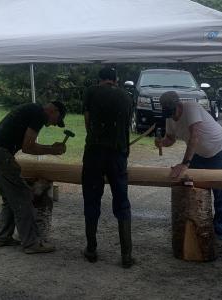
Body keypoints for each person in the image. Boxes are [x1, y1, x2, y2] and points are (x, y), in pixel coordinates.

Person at [0, 101, 67, 254]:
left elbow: (26, 144)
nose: (54, 124)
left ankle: (2, 237)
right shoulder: (39, 113)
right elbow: (28, 147)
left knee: (10, 196)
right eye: (57, 120)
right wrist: (52, 150)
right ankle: (31, 243)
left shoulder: (33, 109)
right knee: (23, 195)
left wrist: (50, 149)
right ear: (53, 110)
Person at [155, 91, 222, 245]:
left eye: (173, 112)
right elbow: (170, 138)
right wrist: (162, 143)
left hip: (218, 150)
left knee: (221, 194)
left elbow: (194, 136)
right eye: (169, 113)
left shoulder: (191, 108)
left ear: (179, 105)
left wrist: (184, 164)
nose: (173, 117)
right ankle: (199, 227)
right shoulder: (169, 117)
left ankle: (220, 234)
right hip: (199, 153)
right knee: (193, 190)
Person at [81, 66, 135, 268]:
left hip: (95, 153)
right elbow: (126, 126)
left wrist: (95, 137)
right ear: (116, 80)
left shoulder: (92, 92)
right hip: (118, 154)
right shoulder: (126, 96)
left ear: (100, 79)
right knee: (122, 201)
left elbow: (87, 120)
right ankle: (126, 255)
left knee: (92, 199)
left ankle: (92, 249)